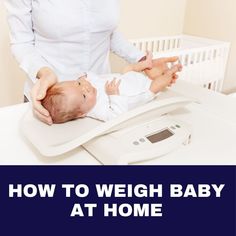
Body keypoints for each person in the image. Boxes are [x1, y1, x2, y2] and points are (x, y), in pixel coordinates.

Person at [4, 0, 180, 124]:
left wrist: (141, 59)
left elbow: (105, 32)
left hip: (103, 98)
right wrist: (44, 73)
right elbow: (22, 43)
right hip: (52, 100)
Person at [42, 57, 182, 123]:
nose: (86, 87)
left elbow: (91, 77)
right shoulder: (97, 111)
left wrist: (83, 77)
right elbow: (116, 116)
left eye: (78, 83)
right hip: (141, 90)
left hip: (126, 77)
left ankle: (146, 65)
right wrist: (113, 95)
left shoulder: (87, 87)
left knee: (127, 69)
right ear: (81, 114)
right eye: (84, 95)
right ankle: (171, 71)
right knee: (156, 86)